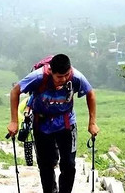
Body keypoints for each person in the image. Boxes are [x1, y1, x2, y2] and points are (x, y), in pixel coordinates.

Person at [7, 54, 99, 193]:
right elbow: (15, 91)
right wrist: (14, 121)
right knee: (45, 165)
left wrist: (92, 122)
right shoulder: (38, 77)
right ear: (51, 72)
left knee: (69, 164)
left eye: (66, 75)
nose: (63, 80)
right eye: (59, 77)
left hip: (67, 123)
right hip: (42, 123)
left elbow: (90, 93)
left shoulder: (76, 77)